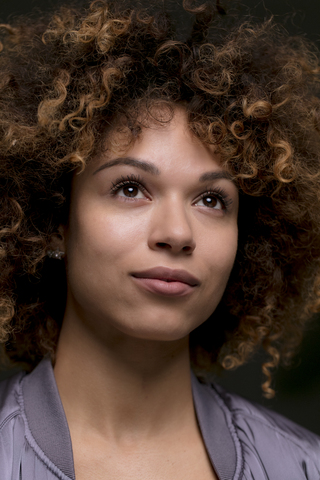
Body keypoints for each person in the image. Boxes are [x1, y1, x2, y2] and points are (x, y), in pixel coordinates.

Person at [0, 0, 320, 478]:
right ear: (55, 221)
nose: (177, 233)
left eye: (212, 200)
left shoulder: (303, 465)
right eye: (130, 188)